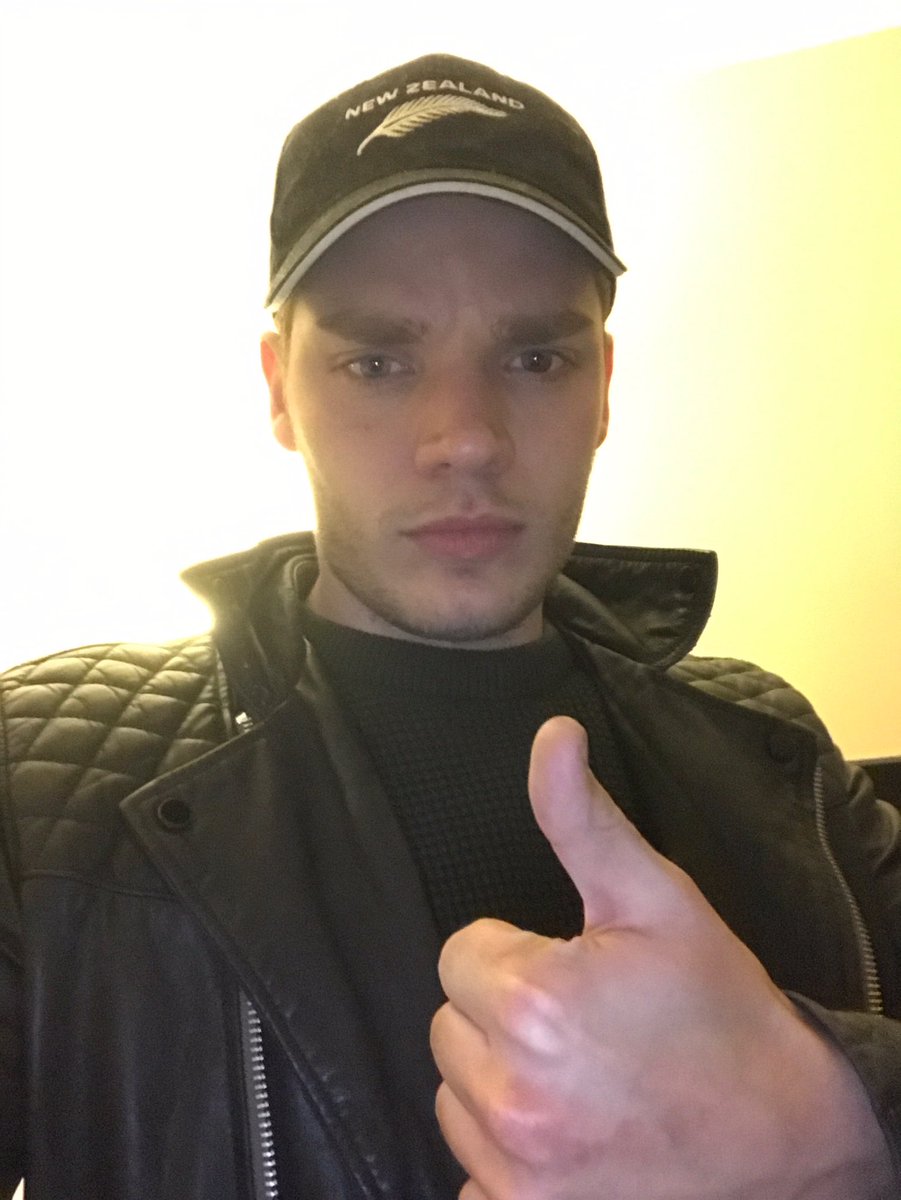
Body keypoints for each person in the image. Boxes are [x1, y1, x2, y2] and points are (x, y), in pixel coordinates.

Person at [0, 51, 898, 1200]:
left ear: (603, 385)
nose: (465, 436)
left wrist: (845, 1120)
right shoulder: (41, 780)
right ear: (279, 389)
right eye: (377, 361)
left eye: (535, 357)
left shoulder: (783, 759)